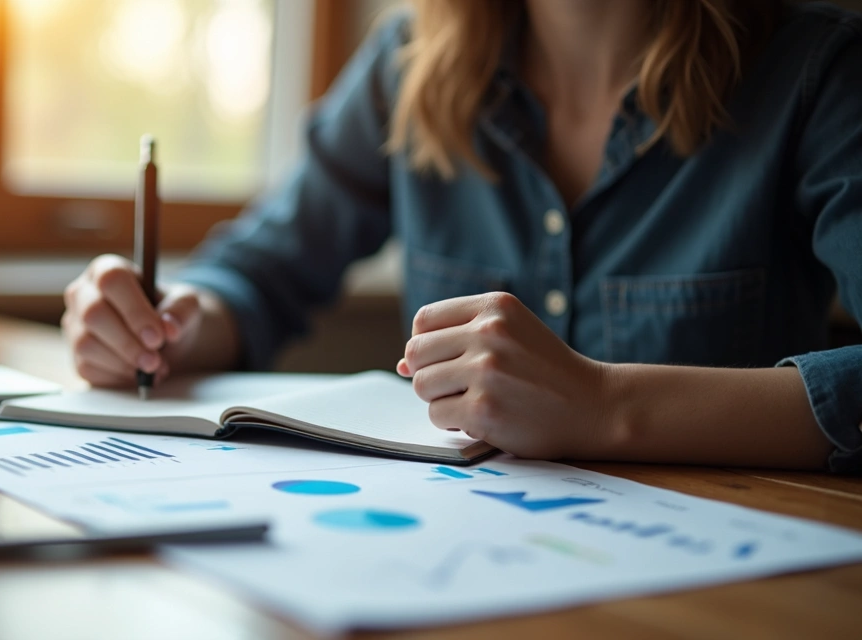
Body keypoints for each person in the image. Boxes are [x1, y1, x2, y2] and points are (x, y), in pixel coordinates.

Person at [61, 0, 862, 472]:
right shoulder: (411, 62)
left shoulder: (819, 69)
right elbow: (263, 266)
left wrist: (609, 406)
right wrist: (172, 321)